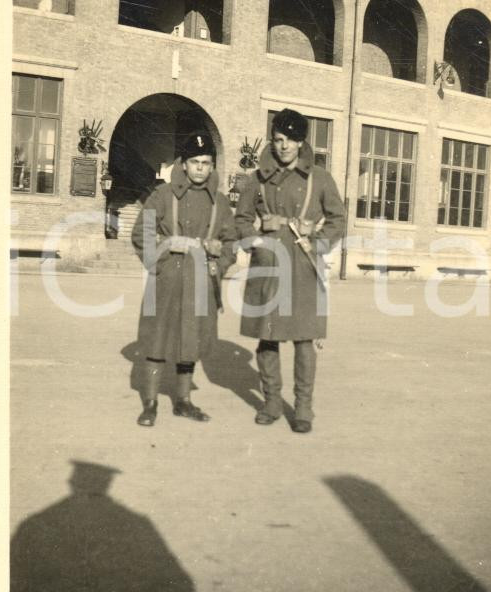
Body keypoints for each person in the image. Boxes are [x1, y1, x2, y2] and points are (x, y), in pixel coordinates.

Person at [235, 108, 346, 434]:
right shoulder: (257, 179)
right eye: (278, 139)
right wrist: (253, 240)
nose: (283, 146)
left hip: (302, 265)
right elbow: (240, 217)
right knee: (267, 339)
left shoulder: (320, 178)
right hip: (267, 266)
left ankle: (303, 408)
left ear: (301, 142)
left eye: (290, 140)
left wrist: (320, 243)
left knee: (303, 340)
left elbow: (338, 218)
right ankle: (270, 402)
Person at [132, 131, 236, 426]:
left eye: (206, 162)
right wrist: (164, 250)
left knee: (191, 340)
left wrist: (219, 260)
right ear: (183, 164)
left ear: (212, 166)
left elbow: (230, 243)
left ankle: (183, 401)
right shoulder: (162, 196)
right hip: (166, 278)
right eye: (195, 161)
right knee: (157, 338)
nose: (200, 168)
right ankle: (150, 403)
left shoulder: (221, 203)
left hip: (201, 281)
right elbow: (141, 232)